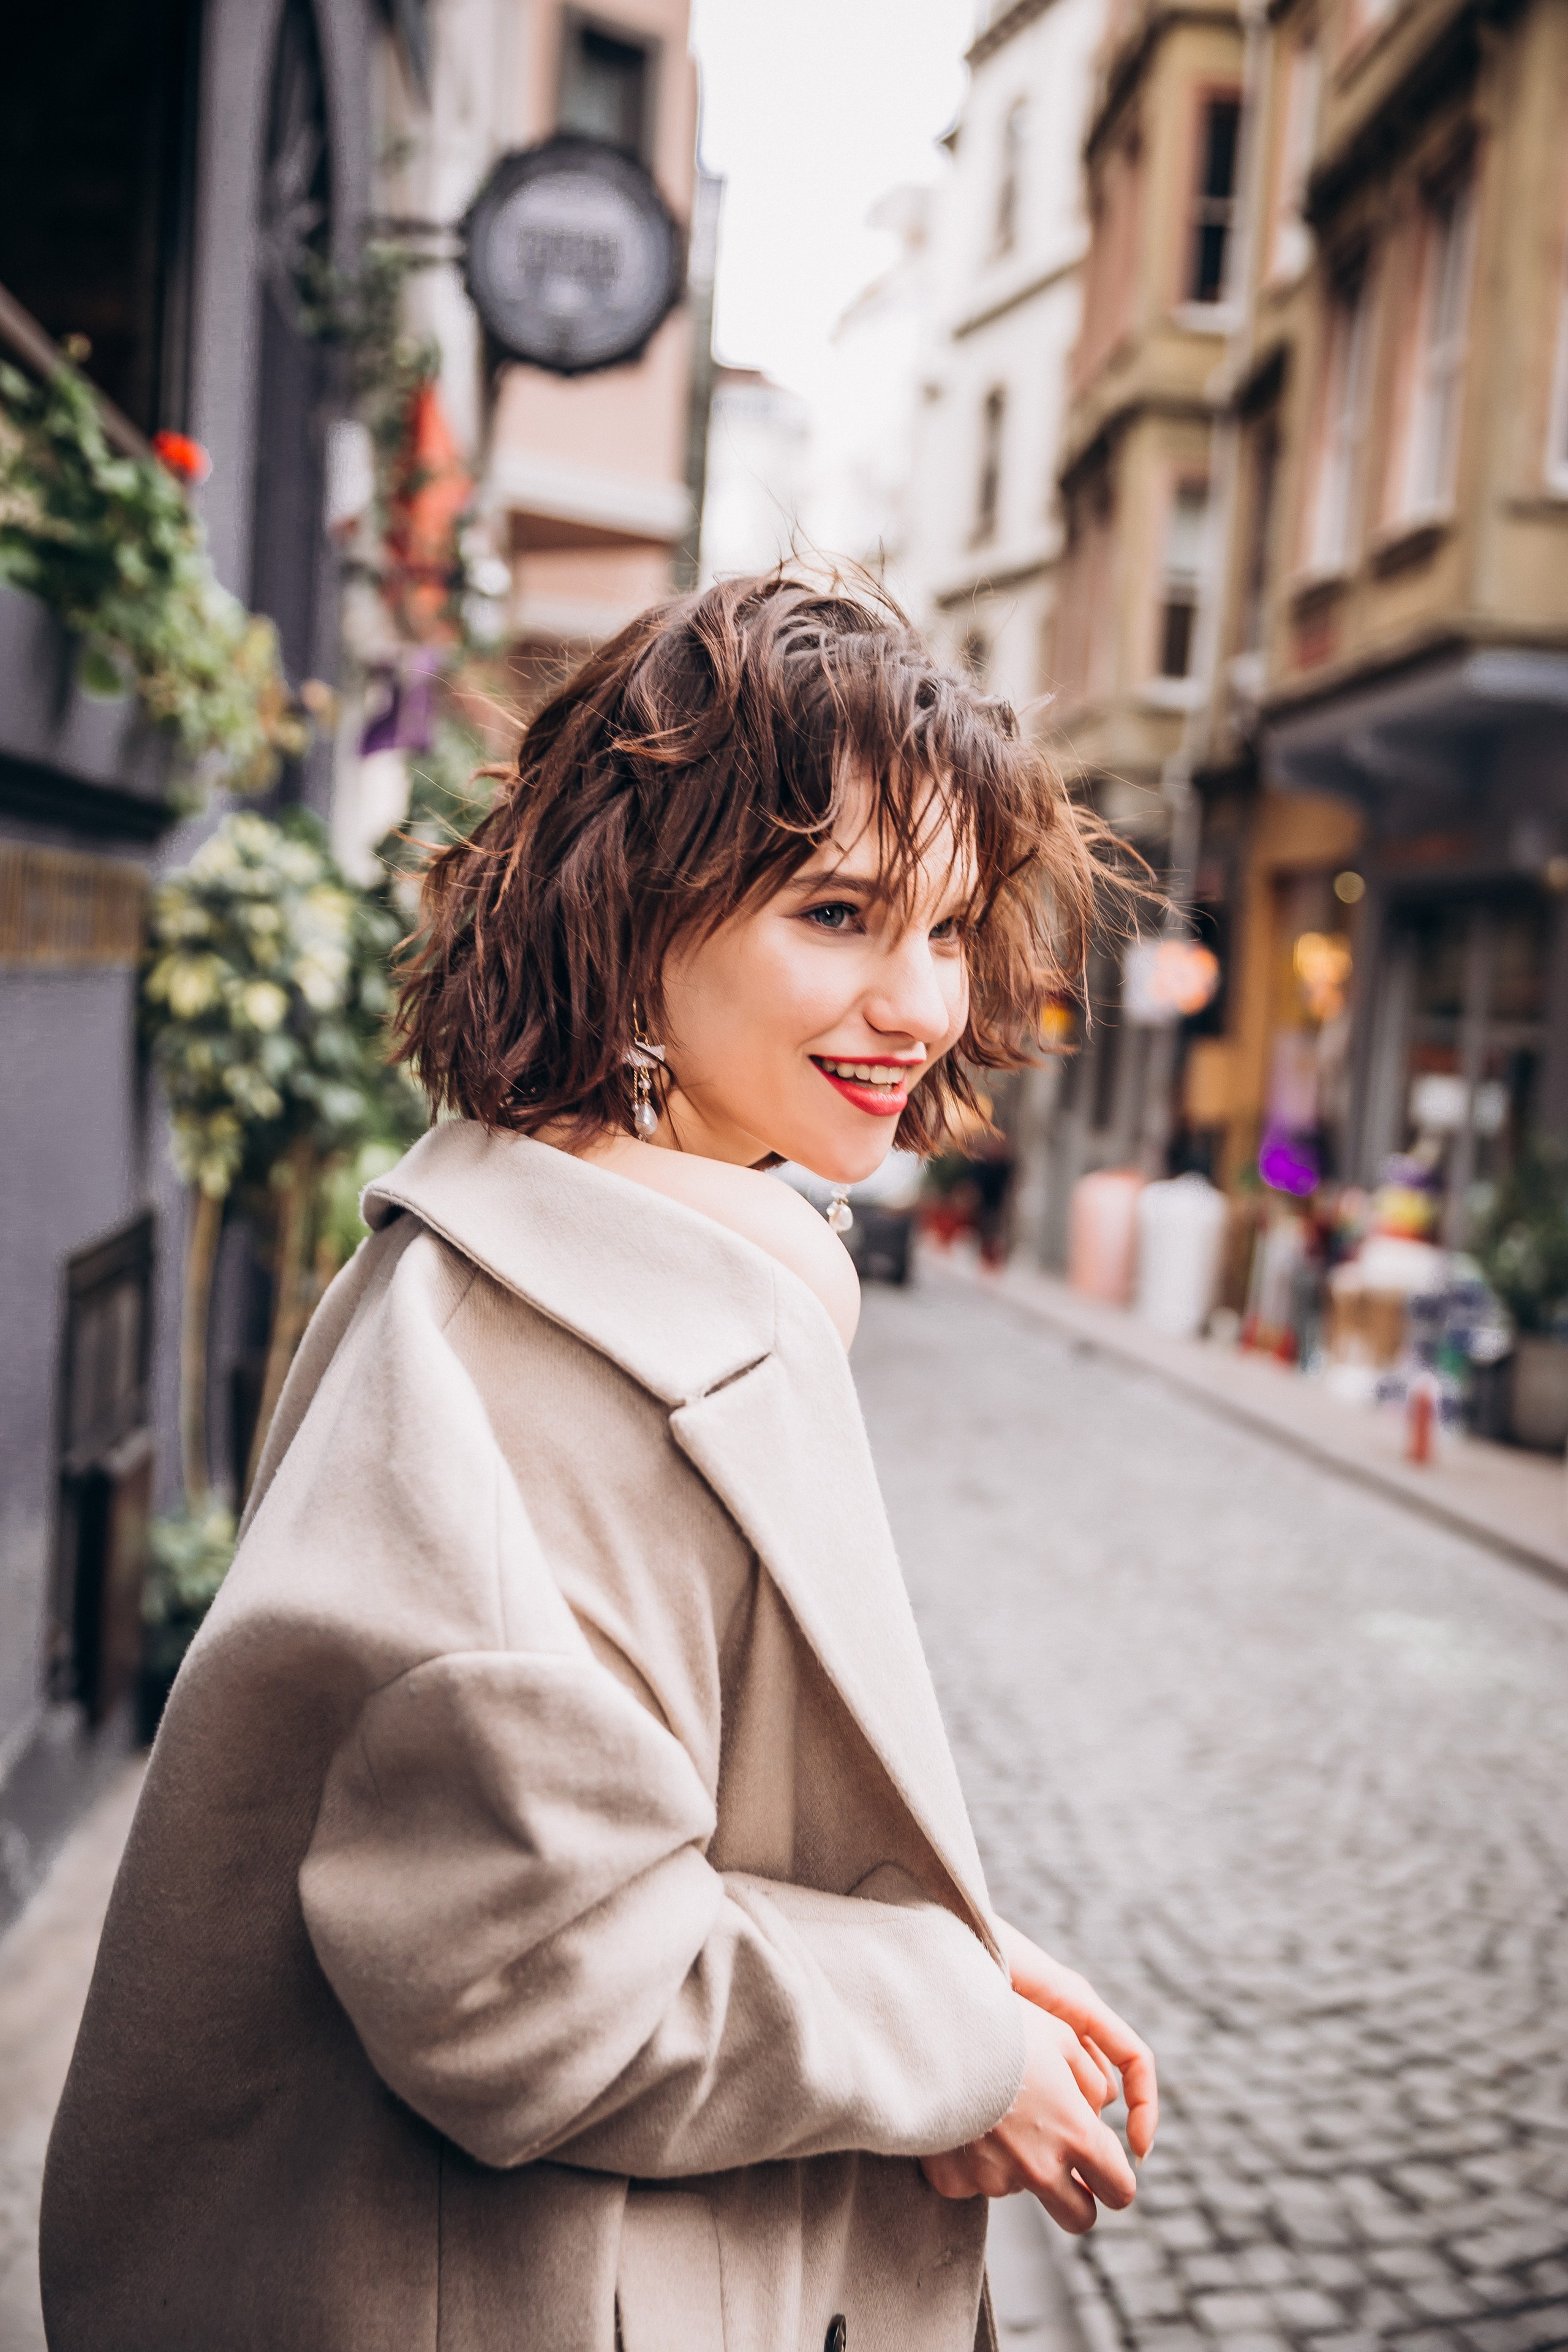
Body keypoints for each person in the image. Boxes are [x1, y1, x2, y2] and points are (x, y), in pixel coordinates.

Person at [41, 573, 1155, 2352]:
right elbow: (538, 1987)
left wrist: (946, 1949)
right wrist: (956, 2042)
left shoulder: (643, 1256)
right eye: (840, 911)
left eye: (949, 928)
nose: (918, 1002)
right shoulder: (541, 1361)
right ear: (636, 913)